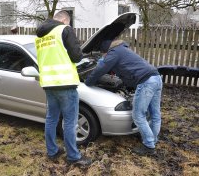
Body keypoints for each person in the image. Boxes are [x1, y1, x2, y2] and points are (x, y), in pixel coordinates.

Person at [85, 38, 163, 156]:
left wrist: (88, 82)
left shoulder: (113, 53)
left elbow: (100, 70)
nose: (103, 56)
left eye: (103, 54)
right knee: (155, 114)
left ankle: (149, 145)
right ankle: (152, 139)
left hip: (146, 82)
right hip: (156, 78)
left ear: (105, 51)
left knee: (138, 115)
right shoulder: (122, 49)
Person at [35, 10, 92, 166]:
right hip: (65, 83)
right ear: (65, 20)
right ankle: (73, 156)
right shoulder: (64, 29)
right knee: (69, 121)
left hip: (48, 83)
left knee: (51, 118)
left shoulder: (40, 36)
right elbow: (76, 56)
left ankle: (52, 151)